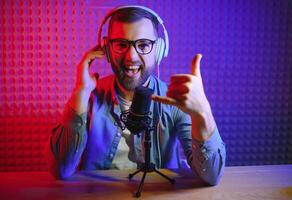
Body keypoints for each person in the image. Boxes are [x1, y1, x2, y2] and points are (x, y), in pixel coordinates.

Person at [48, 5, 226, 186]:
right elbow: (60, 170)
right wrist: (81, 93)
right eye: (121, 45)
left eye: (143, 45)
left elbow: (211, 176)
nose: (131, 57)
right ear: (108, 49)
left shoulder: (174, 100)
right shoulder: (90, 97)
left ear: (159, 49)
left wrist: (203, 113)